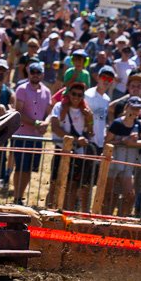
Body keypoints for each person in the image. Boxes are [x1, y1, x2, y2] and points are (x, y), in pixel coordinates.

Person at [47, 81, 94, 210]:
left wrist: (90, 120)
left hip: (77, 152)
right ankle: (47, 211)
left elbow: (90, 133)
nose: (76, 97)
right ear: (69, 94)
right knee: (55, 182)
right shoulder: (59, 107)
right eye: (74, 94)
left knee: (71, 185)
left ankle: (67, 212)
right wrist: (75, 140)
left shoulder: (85, 111)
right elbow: (55, 127)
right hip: (61, 149)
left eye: (80, 95)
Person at [102, 96, 141, 217]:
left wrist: (135, 143)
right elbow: (107, 142)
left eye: (137, 109)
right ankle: (102, 220)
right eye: (132, 108)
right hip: (112, 162)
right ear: (126, 108)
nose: (134, 112)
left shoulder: (137, 124)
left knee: (130, 195)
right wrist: (123, 140)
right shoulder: (117, 123)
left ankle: (121, 219)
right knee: (109, 195)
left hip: (126, 166)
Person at [12, 61, 52, 205]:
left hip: (37, 137)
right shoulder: (22, 89)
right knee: (20, 168)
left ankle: (19, 197)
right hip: (22, 135)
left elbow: (48, 113)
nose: (35, 75)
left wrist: (46, 123)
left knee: (29, 169)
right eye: (32, 72)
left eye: (38, 72)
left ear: (42, 74)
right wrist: (36, 123)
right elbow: (19, 112)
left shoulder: (47, 91)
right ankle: (16, 197)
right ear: (28, 73)